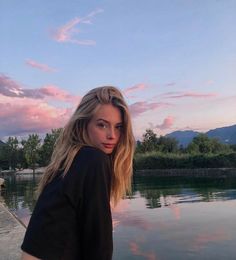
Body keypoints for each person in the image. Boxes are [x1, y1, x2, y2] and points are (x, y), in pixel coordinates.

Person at [21, 86, 135, 260]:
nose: (112, 135)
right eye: (102, 125)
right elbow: (99, 244)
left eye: (118, 127)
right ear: (84, 124)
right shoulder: (93, 159)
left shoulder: (69, 161)